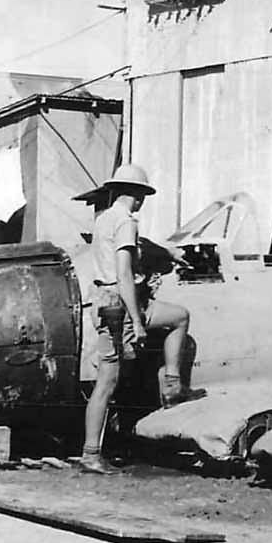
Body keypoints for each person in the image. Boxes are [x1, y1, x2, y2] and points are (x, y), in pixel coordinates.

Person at [77, 163, 205, 475]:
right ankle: (172, 387)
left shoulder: (106, 218)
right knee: (178, 319)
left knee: (110, 380)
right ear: (137, 195)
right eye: (144, 194)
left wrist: (168, 251)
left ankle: (95, 449)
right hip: (120, 304)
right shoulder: (126, 222)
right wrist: (136, 318)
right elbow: (123, 272)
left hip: (102, 302)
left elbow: (132, 246)